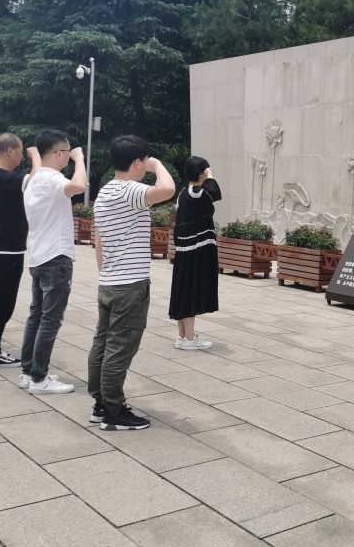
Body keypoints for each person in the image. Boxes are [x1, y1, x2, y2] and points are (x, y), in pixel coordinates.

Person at [89, 135, 174, 431]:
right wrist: (158, 165)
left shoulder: (105, 191)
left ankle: (101, 403)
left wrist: (104, 271)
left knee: (103, 344)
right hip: (129, 285)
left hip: (110, 281)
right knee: (120, 347)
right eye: (145, 161)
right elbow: (168, 189)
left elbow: (98, 237)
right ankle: (113, 410)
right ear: (138, 162)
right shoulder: (130, 190)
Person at [19, 131, 87, 394]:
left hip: (39, 255)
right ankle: (39, 378)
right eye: (68, 152)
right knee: (50, 320)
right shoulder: (53, 179)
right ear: (59, 154)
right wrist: (80, 160)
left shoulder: (32, 179)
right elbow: (79, 186)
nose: (70, 156)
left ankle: (29, 372)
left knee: (36, 317)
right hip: (56, 257)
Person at [0, 133, 37, 367]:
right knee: (2, 305)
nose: (22, 157)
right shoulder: (3, 178)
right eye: (21, 152)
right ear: (9, 151)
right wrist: (35, 157)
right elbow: (34, 180)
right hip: (5, 251)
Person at [168, 156, 220, 350]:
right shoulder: (198, 193)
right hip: (197, 250)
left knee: (183, 291)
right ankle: (189, 339)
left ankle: (183, 336)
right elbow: (215, 193)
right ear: (201, 174)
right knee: (191, 292)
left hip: (184, 250)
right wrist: (210, 175)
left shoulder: (183, 193)